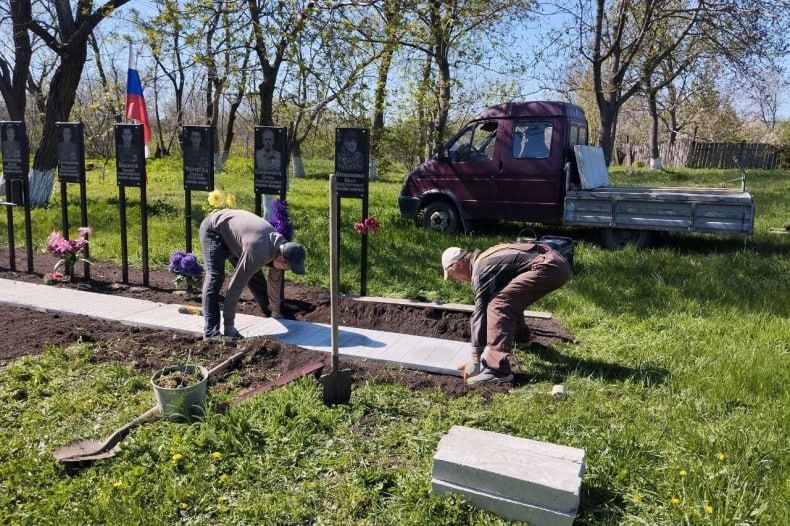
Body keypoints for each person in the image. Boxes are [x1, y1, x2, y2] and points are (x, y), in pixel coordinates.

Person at [442, 241, 570, 384]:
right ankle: (522, 338)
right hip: (556, 263)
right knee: (507, 297)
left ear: (458, 264)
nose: (457, 280)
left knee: (498, 305)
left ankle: (497, 369)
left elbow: (480, 312)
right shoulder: (485, 259)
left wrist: (475, 358)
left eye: (453, 275)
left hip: (548, 267)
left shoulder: (480, 271)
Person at [199, 208, 306, 340]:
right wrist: (229, 326)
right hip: (214, 230)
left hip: (237, 236)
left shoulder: (281, 246)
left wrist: (275, 311)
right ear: (282, 259)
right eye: (288, 267)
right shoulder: (258, 251)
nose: (288, 270)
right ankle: (211, 333)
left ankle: (267, 310)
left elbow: (275, 280)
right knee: (215, 278)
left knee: (256, 277)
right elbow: (235, 286)